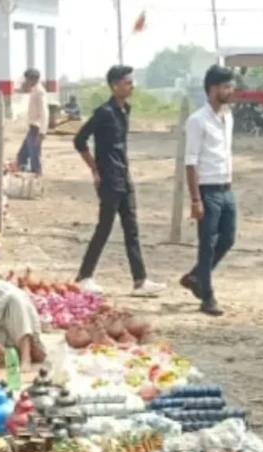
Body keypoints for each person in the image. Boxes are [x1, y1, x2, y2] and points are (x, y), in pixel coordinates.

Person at [77, 65, 164, 297]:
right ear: (115, 85)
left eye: (131, 81)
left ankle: (140, 280)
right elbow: (79, 140)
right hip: (109, 179)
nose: (131, 85)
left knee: (131, 229)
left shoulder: (125, 110)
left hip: (124, 177)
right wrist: (94, 169)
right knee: (104, 227)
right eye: (127, 82)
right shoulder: (103, 113)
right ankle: (84, 277)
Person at [177, 65, 237, 315]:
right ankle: (207, 297)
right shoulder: (197, 120)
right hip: (208, 189)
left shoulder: (228, 117)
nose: (231, 91)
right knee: (207, 244)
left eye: (232, 86)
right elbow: (190, 162)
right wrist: (195, 199)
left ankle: (195, 276)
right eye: (226, 87)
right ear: (213, 89)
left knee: (228, 239)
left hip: (226, 187)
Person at [17, 69, 47, 175]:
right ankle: (27, 173)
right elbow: (22, 90)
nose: (26, 81)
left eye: (28, 79)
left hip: (36, 128)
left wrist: (42, 132)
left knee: (34, 156)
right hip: (32, 127)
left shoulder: (39, 92)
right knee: (23, 155)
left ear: (33, 79)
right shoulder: (34, 90)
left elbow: (44, 113)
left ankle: (36, 176)